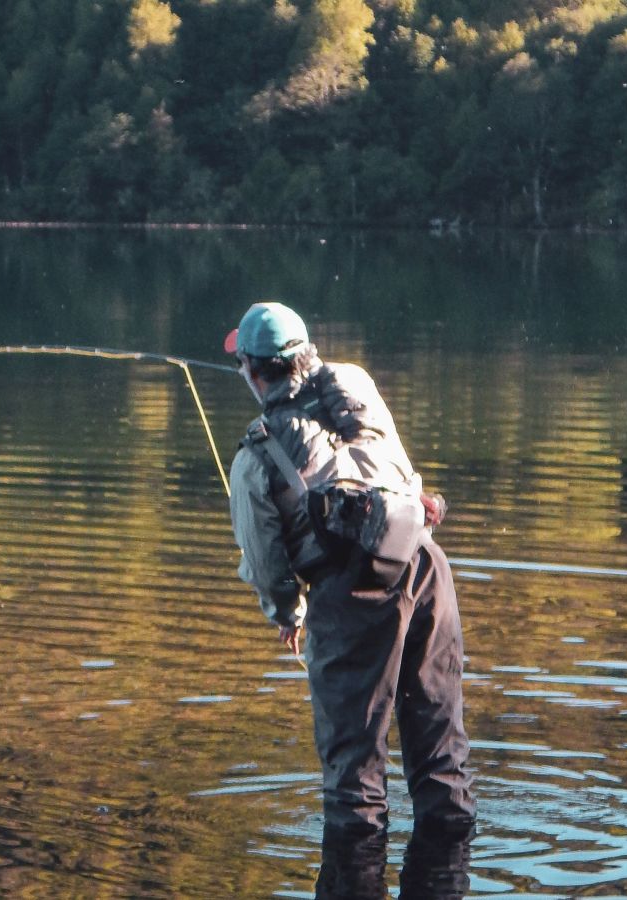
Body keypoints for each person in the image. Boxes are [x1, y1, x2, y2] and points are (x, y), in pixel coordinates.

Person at [224, 301, 474, 836]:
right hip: (426, 563)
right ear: (307, 353)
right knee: (440, 748)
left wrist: (288, 614)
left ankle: (354, 876)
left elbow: (267, 562)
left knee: (354, 781)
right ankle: (450, 865)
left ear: (250, 368)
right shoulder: (355, 384)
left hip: (351, 591)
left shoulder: (256, 456)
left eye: (241, 364)